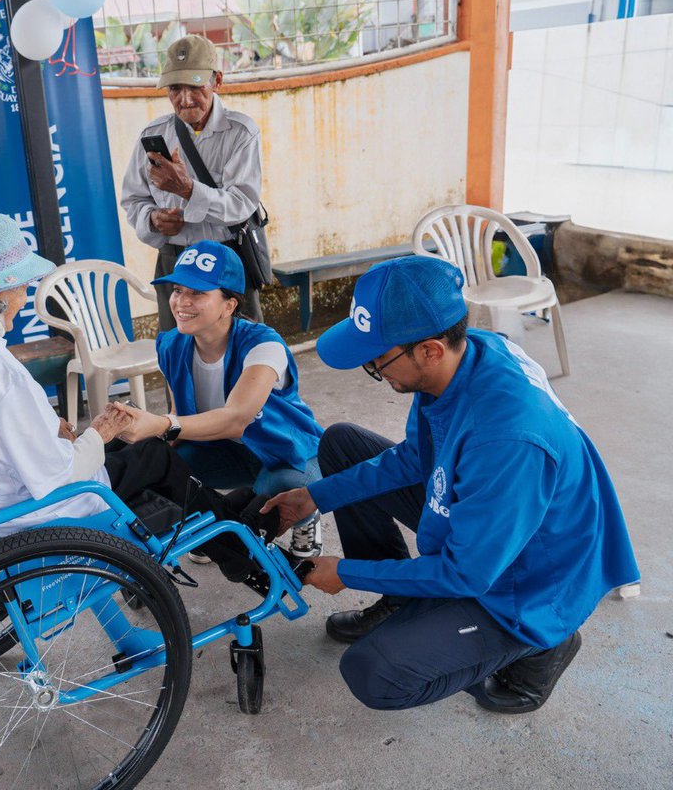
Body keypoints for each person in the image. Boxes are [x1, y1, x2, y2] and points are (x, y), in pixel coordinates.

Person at [262, 256, 639, 713]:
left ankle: (543, 644)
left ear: (430, 350)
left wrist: (345, 572)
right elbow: (417, 457)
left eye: (377, 361)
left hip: (532, 575)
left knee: (374, 673)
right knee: (342, 445)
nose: (375, 372)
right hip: (496, 515)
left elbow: (467, 572)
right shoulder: (463, 358)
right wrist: (314, 496)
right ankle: (405, 599)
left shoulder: (505, 438)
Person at [0, 214, 278, 590]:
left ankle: (230, 524)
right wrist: (97, 431)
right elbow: (57, 479)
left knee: (133, 445)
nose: (24, 296)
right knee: (153, 454)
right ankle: (238, 547)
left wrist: (55, 432)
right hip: (36, 514)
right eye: (22, 287)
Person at [114, 241, 325, 559]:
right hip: (222, 450)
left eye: (197, 293)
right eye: (177, 290)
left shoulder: (264, 345)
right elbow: (178, 411)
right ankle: (204, 523)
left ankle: (306, 516)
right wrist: (154, 439)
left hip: (285, 453)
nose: (181, 302)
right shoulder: (171, 344)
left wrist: (161, 424)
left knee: (277, 488)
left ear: (229, 305)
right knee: (163, 470)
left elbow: (236, 417)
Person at [120, 34, 267, 329]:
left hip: (227, 259)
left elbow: (241, 204)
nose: (185, 99)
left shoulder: (241, 132)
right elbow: (133, 200)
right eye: (175, 89)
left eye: (195, 87)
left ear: (217, 81)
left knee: (244, 350)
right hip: (175, 260)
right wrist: (154, 220)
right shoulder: (155, 132)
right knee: (179, 350)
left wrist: (186, 189)